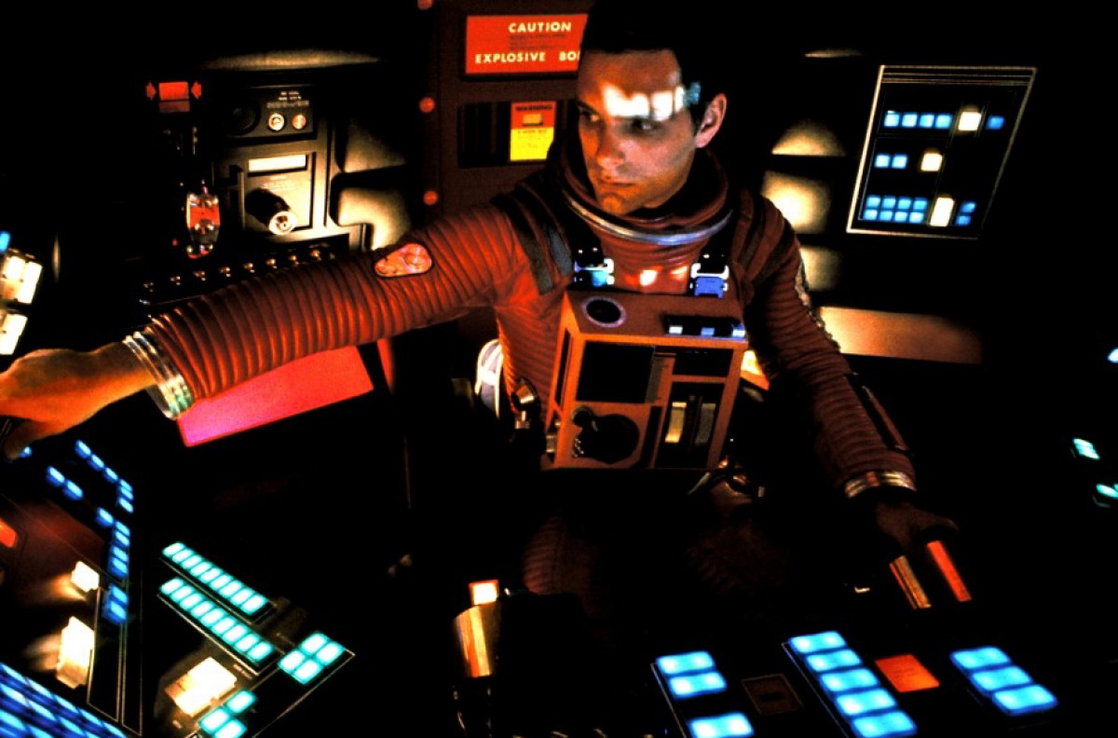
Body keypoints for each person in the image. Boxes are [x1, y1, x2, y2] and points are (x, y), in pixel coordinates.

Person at [0, 2, 952, 613]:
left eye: (640, 124)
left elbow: (810, 366)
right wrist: (112, 367)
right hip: (568, 499)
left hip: (701, 492)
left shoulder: (754, 235)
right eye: (590, 117)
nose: (606, 153)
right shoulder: (523, 234)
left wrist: (884, 488)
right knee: (561, 633)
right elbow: (338, 300)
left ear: (708, 120)